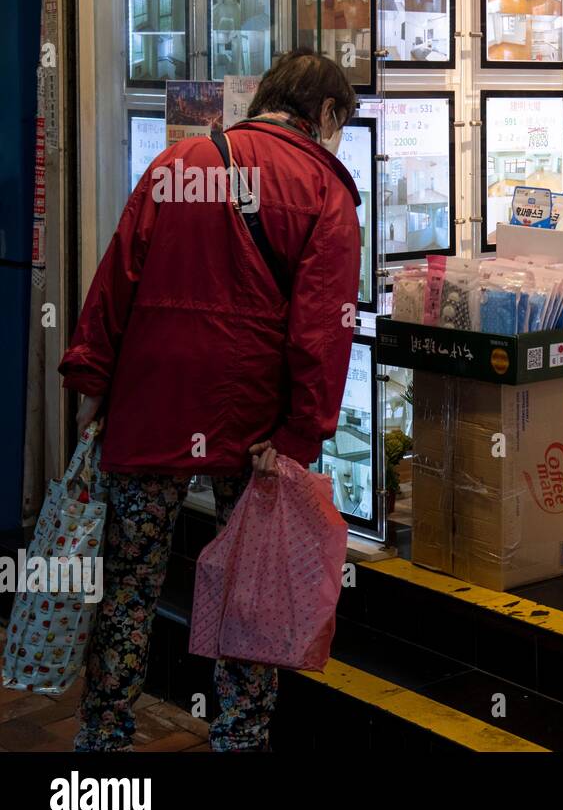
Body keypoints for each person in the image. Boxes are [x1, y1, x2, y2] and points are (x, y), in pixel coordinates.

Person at [58, 49, 363, 752]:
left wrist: (93, 385)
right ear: (322, 115)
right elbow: (323, 332)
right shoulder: (324, 190)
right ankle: (241, 737)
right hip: (251, 424)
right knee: (252, 589)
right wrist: (298, 437)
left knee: (130, 583)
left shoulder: (177, 165)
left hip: (150, 404)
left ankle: (103, 736)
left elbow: (115, 282)